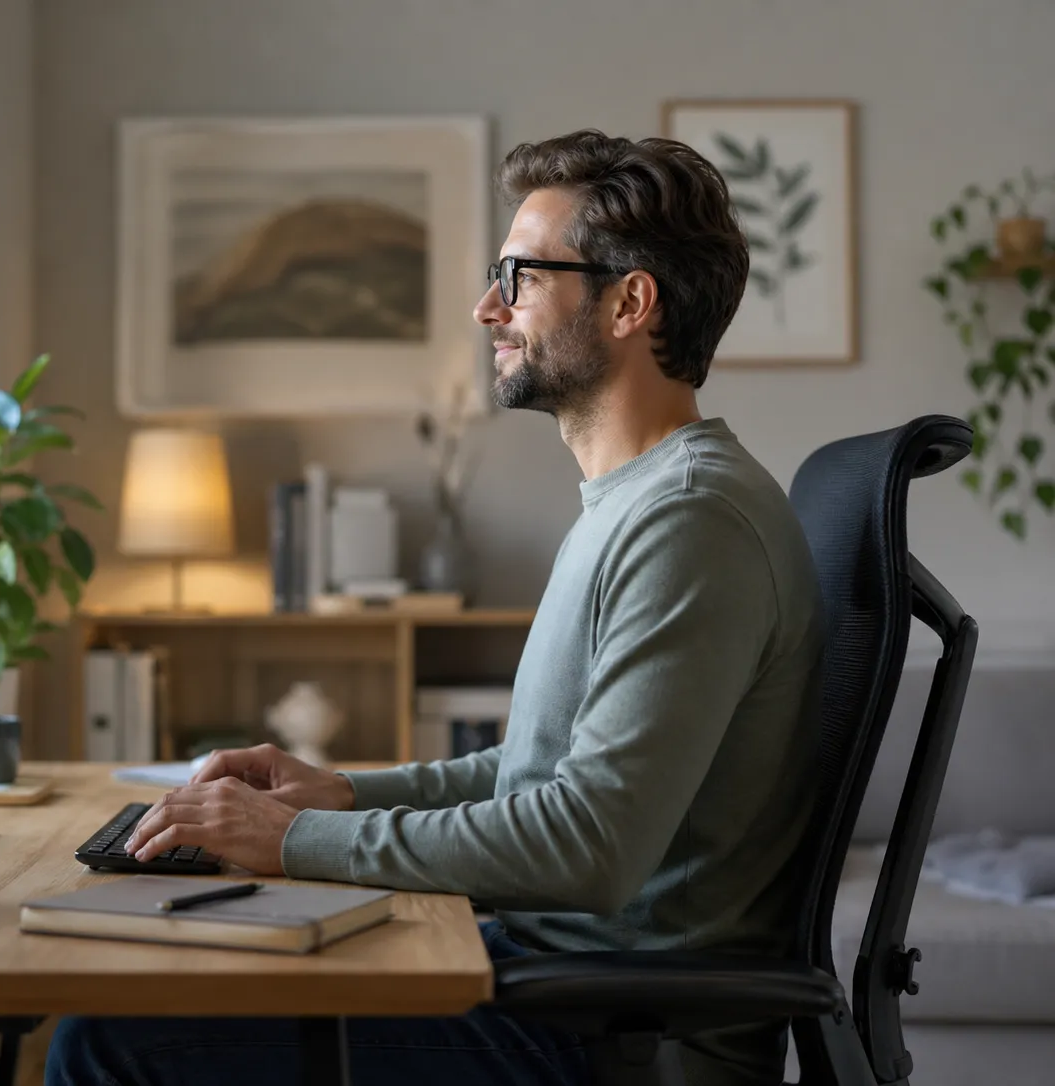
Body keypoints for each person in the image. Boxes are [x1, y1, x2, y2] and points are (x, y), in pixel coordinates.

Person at [46, 129, 824, 1086]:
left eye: (520, 276)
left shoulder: (691, 520)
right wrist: (340, 795)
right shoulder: (640, 504)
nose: (486, 306)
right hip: (556, 976)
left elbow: (587, 845)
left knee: (111, 1034)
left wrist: (290, 841)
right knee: (168, 966)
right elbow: (537, 772)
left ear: (630, 301)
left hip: (611, 1028)